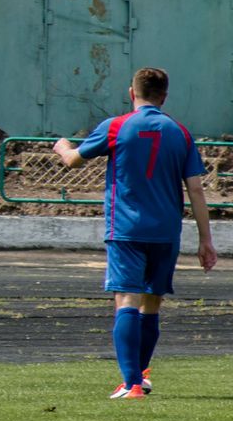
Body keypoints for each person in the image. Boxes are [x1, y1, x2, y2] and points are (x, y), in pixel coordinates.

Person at [53, 67, 217, 399]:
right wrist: (205, 240)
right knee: (152, 304)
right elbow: (196, 190)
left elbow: (73, 160)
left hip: (126, 228)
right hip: (166, 231)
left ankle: (131, 385)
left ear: (132, 93)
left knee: (126, 299)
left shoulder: (116, 127)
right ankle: (138, 377)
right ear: (165, 96)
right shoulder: (180, 133)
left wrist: (61, 146)